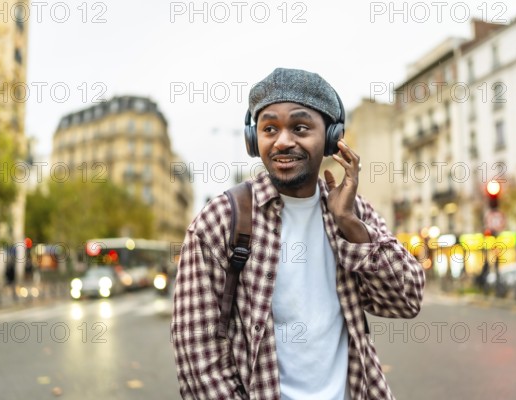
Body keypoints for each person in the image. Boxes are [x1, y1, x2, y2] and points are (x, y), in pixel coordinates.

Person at [171, 68, 425, 400]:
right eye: (269, 128)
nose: (283, 141)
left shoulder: (353, 213)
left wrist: (349, 224)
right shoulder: (220, 220)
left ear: (333, 139)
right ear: (253, 139)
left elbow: (406, 300)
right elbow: (197, 354)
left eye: (300, 127)